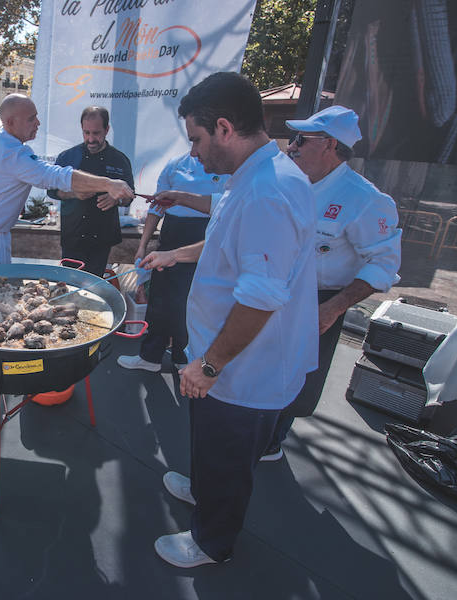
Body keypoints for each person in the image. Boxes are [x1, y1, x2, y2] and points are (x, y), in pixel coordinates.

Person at [140, 72, 318, 568]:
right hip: (221, 357)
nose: (193, 153)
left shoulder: (268, 191)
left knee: (229, 456)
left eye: (196, 139)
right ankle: (203, 490)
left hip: (243, 369)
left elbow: (260, 299)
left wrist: (210, 366)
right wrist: (175, 255)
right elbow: (225, 241)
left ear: (223, 127)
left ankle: (211, 542)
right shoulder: (253, 178)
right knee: (212, 449)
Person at [258, 106, 402, 461]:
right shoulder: (288, 181)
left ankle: (270, 441)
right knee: (259, 369)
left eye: (301, 140)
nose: (291, 146)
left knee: (294, 379)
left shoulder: (366, 199)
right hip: (273, 289)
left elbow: (384, 263)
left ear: (329, 145)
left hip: (318, 300)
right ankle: (254, 428)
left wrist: (333, 308)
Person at [0, 94, 134, 268]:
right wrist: (109, 184)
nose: (38, 123)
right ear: (10, 122)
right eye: (31, 119)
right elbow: (55, 176)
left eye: (36, 117)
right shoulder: (13, 155)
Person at [117, 153, 228, 372]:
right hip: (173, 231)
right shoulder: (175, 165)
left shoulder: (225, 165)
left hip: (205, 234)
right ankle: (150, 356)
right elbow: (156, 207)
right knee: (159, 298)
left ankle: (183, 356)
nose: (196, 149)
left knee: (190, 302)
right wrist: (143, 245)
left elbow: (226, 209)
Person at [46, 106, 134, 276]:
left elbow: (130, 196)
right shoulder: (67, 157)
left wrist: (116, 198)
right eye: (86, 133)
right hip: (73, 236)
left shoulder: (120, 160)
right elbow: (51, 191)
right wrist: (73, 193)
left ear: (107, 129)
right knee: (70, 287)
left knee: (95, 287)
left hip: (102, 239)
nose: (91, 139)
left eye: (96, 133)